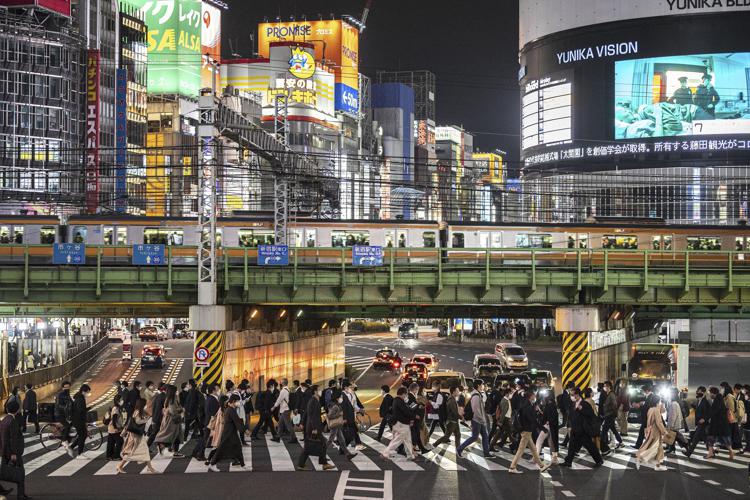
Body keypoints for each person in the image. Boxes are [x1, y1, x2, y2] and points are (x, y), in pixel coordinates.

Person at [561, 387, 603, 467]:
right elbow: (571, 416)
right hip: (575, 429)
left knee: (590, 446)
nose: (572, 397)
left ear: (577, 395)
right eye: (571, 395)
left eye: (573, 395)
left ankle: (599, 460)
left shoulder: (584, 404)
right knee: (571, 446)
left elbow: (591, 414)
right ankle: (568, 462)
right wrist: (569, 426)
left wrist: (582, 409)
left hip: (583, 430)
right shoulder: (573, 404)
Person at [509, 391, 550, 473]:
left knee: (534, 449)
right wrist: (541, 427)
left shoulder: (526, 404)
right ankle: (512, 467)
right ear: (530, 396)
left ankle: (541, 466)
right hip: (526, 430)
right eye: (534, 395)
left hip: (526, 430)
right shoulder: (528, 406)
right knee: (520, 450)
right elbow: (531, 419)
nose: (535, 397)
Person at [296, 385, 335, 471]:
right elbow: (311, 415)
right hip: (312, 428)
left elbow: (317, 414)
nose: (321, 391)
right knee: (321, 443)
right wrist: (314, 428)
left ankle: (303, 464)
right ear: (315, 392)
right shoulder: (312, 401)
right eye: (319, 390)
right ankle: (323, 463)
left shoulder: (317, 400)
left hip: (315, 427)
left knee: (314, 445)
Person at [208, 394, 248, 471]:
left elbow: (237, 421)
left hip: (230, 433)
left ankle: (242, 465)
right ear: (233, 402)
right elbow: (237, 421)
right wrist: (245, 430)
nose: (239, 403)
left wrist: (243, 429)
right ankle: (212, 463)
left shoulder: (230, 409)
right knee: (221, 450)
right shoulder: (230, 410)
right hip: (228, 434)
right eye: (238, 401)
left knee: (237, 448)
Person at [117, 398, 157, 474]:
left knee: (143, 451)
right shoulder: (138, 412)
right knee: (133, 452)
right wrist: (146, 419)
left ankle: (150, 467)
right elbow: (138, 422)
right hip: (136, 435)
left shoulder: (137, 411)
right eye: (145, 404)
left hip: (136, 435)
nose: (146, 405)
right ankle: (120, 465)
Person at [456, 380, 494, 458]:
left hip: (479, 419)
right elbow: (475, 409)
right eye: (482, 384)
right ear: (478, 385)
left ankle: (486, 453)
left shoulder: (478, 394)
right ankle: (459, 449)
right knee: (474, 437)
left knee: (485, 436)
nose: (483, 386)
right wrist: (482, 419)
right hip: (477, 420)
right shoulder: (476, 395)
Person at [0, 399, 27, 499]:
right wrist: (14, 453)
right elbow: (13, 439)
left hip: (4, 451)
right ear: (18, 410)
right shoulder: (13, 421)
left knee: (2, 472)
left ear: (7, 409)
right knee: (20, 472)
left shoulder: (4, 420)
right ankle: (20, 495)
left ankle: (2, 490)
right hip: (13, 452)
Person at [381, 387, 416, 461]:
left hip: (401, 423)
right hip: (401, 424)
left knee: (407, 440)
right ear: (403, 394)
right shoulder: (399, 401)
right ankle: (385, 453)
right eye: (406, 394)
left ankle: (410, 456)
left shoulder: (397, 400)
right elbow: (406, 411)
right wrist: (413, 415)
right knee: (397, 440)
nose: (406, 396)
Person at [636, 399, 668, 470]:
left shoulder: (650, 409)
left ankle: (657, 465)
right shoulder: (656, 410)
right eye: (659, 401)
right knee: (655, 448)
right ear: (657, 401)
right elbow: (659, 422)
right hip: (656, 431)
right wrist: (664, 431)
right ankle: (641, 457)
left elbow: (648, 420)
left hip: (651, 430)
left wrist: (647, 430)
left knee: (656, 448)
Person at [154, 385, 185, 458]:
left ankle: (162, 445)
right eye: (176, 390)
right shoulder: (173, 398)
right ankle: (168, 448)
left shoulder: (168, 397)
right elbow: (172, 410)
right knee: (175, 435)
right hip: (173, 420)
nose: (177, 391)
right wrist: (180, 410)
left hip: (169, 419)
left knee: (171, 434)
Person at [193, 383, 220, 461]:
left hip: (208, 421)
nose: (219, 390)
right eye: (217, 389)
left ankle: (196, 452)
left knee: (205, 438)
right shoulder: (212, 399)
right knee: (205, 439)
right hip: (210, 422)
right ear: (213, 390)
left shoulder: (210, 398)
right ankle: (200, 454)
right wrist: (213, 425)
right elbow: (213, 413)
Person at [707, 386, 734, 460]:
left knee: (712, 438)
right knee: (713, 438)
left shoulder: (718, 399)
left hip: (718, 424)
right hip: (719, 424)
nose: (709, 395)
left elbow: (715, 411)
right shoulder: (719, 398)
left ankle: (730, 451)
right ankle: (710, 453)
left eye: (710, 393)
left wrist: (707, 416)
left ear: (713, 393)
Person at [684, 386, 710, 458]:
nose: (698, 392)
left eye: (700, 391)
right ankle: (712, 452)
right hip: (699, 422)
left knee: (696, 438)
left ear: (703, 392)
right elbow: (699, 410)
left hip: (703, 423)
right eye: (698, 391)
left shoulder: (705, 401)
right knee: (704, 439)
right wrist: (694, 406)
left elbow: (708, 412)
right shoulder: (699, 400)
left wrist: (704, 419)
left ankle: (689, 453)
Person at [535, 389, 560, 464]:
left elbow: (549, 416)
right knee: (551, 443)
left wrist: (547, 421)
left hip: (548, 426)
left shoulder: (550, 404)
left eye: (546, 394)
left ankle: (535, 458)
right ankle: (554, 459)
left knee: (539, 441)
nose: (544, 396)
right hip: (551, 426)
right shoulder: (552, 404)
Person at [433, 385, 462, 450]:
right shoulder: (451, 400)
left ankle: (458, 450)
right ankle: (434, 444)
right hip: (451, 422)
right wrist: (461, 417)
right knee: (446, 437)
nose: (458, 392)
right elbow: (454, 412)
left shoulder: (452, 399)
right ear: (453, 392)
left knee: (458, 435)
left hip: (454, 421)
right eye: (457, 391)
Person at [600, 381, 623, 455]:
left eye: (605, 386)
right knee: (613, 429)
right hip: (608, 415)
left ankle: (604, 448)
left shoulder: (611, 394)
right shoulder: (608, 394)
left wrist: (613, 414)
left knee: (604, 431)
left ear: (609, 386)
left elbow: (614, 405)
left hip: (610, 415)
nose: (604, 388)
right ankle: (620, 442)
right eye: (604, 386)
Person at [271, 379, 297, 444]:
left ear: (282, 383)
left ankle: (294, 438)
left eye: (281, 382)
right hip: (285, 409)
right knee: (280, 424)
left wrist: (274, 407)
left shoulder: (283, 391)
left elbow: (279, 399)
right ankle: (278, 437)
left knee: (288, 425)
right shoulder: (288, 389)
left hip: (285, 409)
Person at [633, 384, 658, 449]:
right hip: (646, 417)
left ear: (646, 390)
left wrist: (640, 405)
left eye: (643, 391)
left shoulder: (652, 397)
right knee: (642, 432)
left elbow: (648, 408)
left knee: (645, 432)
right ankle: (638, 445)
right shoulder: (649, 396)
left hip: (648, 418)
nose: (643, 392)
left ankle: (642, 445)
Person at [70, 384, 91, 458]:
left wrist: (87, 408)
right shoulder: (80, 399)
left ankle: (71, 447)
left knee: (83, 435)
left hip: (78, 420)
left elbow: (81, 410)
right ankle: (79, 453)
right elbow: (80, 410)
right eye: (87, 392)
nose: (87, 394)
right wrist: (86, 410)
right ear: (83, 391)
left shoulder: (79, 397)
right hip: (78, 420)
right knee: (83, 435)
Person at [665, 389, 689, 454]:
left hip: (674, 424)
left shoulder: (673, 404)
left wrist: (670, 425)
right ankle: (672, 448)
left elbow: (673, 416)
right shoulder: (675, 403)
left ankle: (686, 444)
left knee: (675, 436)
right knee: (675, 437)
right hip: (676, 424)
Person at [105, 395, 125, 461]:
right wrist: (116, 428)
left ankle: (109, 455)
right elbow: (114, 419)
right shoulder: (116, 409)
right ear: (117, 401)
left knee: (111, 442)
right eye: (121, 399)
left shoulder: (116, 408)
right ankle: (116, 456)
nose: (122, 400)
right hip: (114, 428)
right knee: (120, 441)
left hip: (111, 428)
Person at [147, 384, 166, 448]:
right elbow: (159, 408)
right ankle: (148, 446)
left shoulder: (158, 396)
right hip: (159, 418)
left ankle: (160, 446)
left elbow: (154, 407)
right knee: (155, 432)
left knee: (157, 432)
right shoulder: (163, 397)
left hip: (156, 417)